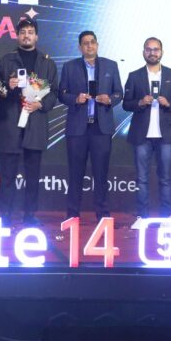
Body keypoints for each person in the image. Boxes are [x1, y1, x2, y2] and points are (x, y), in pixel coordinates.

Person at [0, 18, 58, 226]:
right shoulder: (6, 61)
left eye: (30, 32)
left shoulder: (46, 63)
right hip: (10, 124)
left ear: (36, 36)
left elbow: (54, 92)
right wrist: (7, 85)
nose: (26, 35)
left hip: (35, 125)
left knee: (33, 176)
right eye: (23, 32)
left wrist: (40, 104)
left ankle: (30, 216)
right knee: (7, 175)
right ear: (17, 36)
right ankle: (5, 215)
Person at [58, 31, 123, 221]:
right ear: (80, 47)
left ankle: (102, 214)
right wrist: (75, 99)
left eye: (92, 42)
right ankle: (72, 214)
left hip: (101, 128)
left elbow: (119, 93)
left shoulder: (111, 65)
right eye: (85, 43)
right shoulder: (70, 67)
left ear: (97, 45)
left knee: (101, 173)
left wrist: (109, 99)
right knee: (75, 172)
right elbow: (61, 94)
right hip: (77, 128)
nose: (89, 46)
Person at [122, 37, 171, 218]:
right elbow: (126, 104)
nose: (152, 53)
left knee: (165, 178)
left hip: (165, 135)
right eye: (149, 49)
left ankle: (166, 217)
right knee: (141, 179)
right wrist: (140, 102)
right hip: (141, 135)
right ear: (144, 52)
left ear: (162, 52)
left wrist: (169, 103)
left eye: (156, 49)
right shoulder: (134, 76)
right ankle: (142, 216)